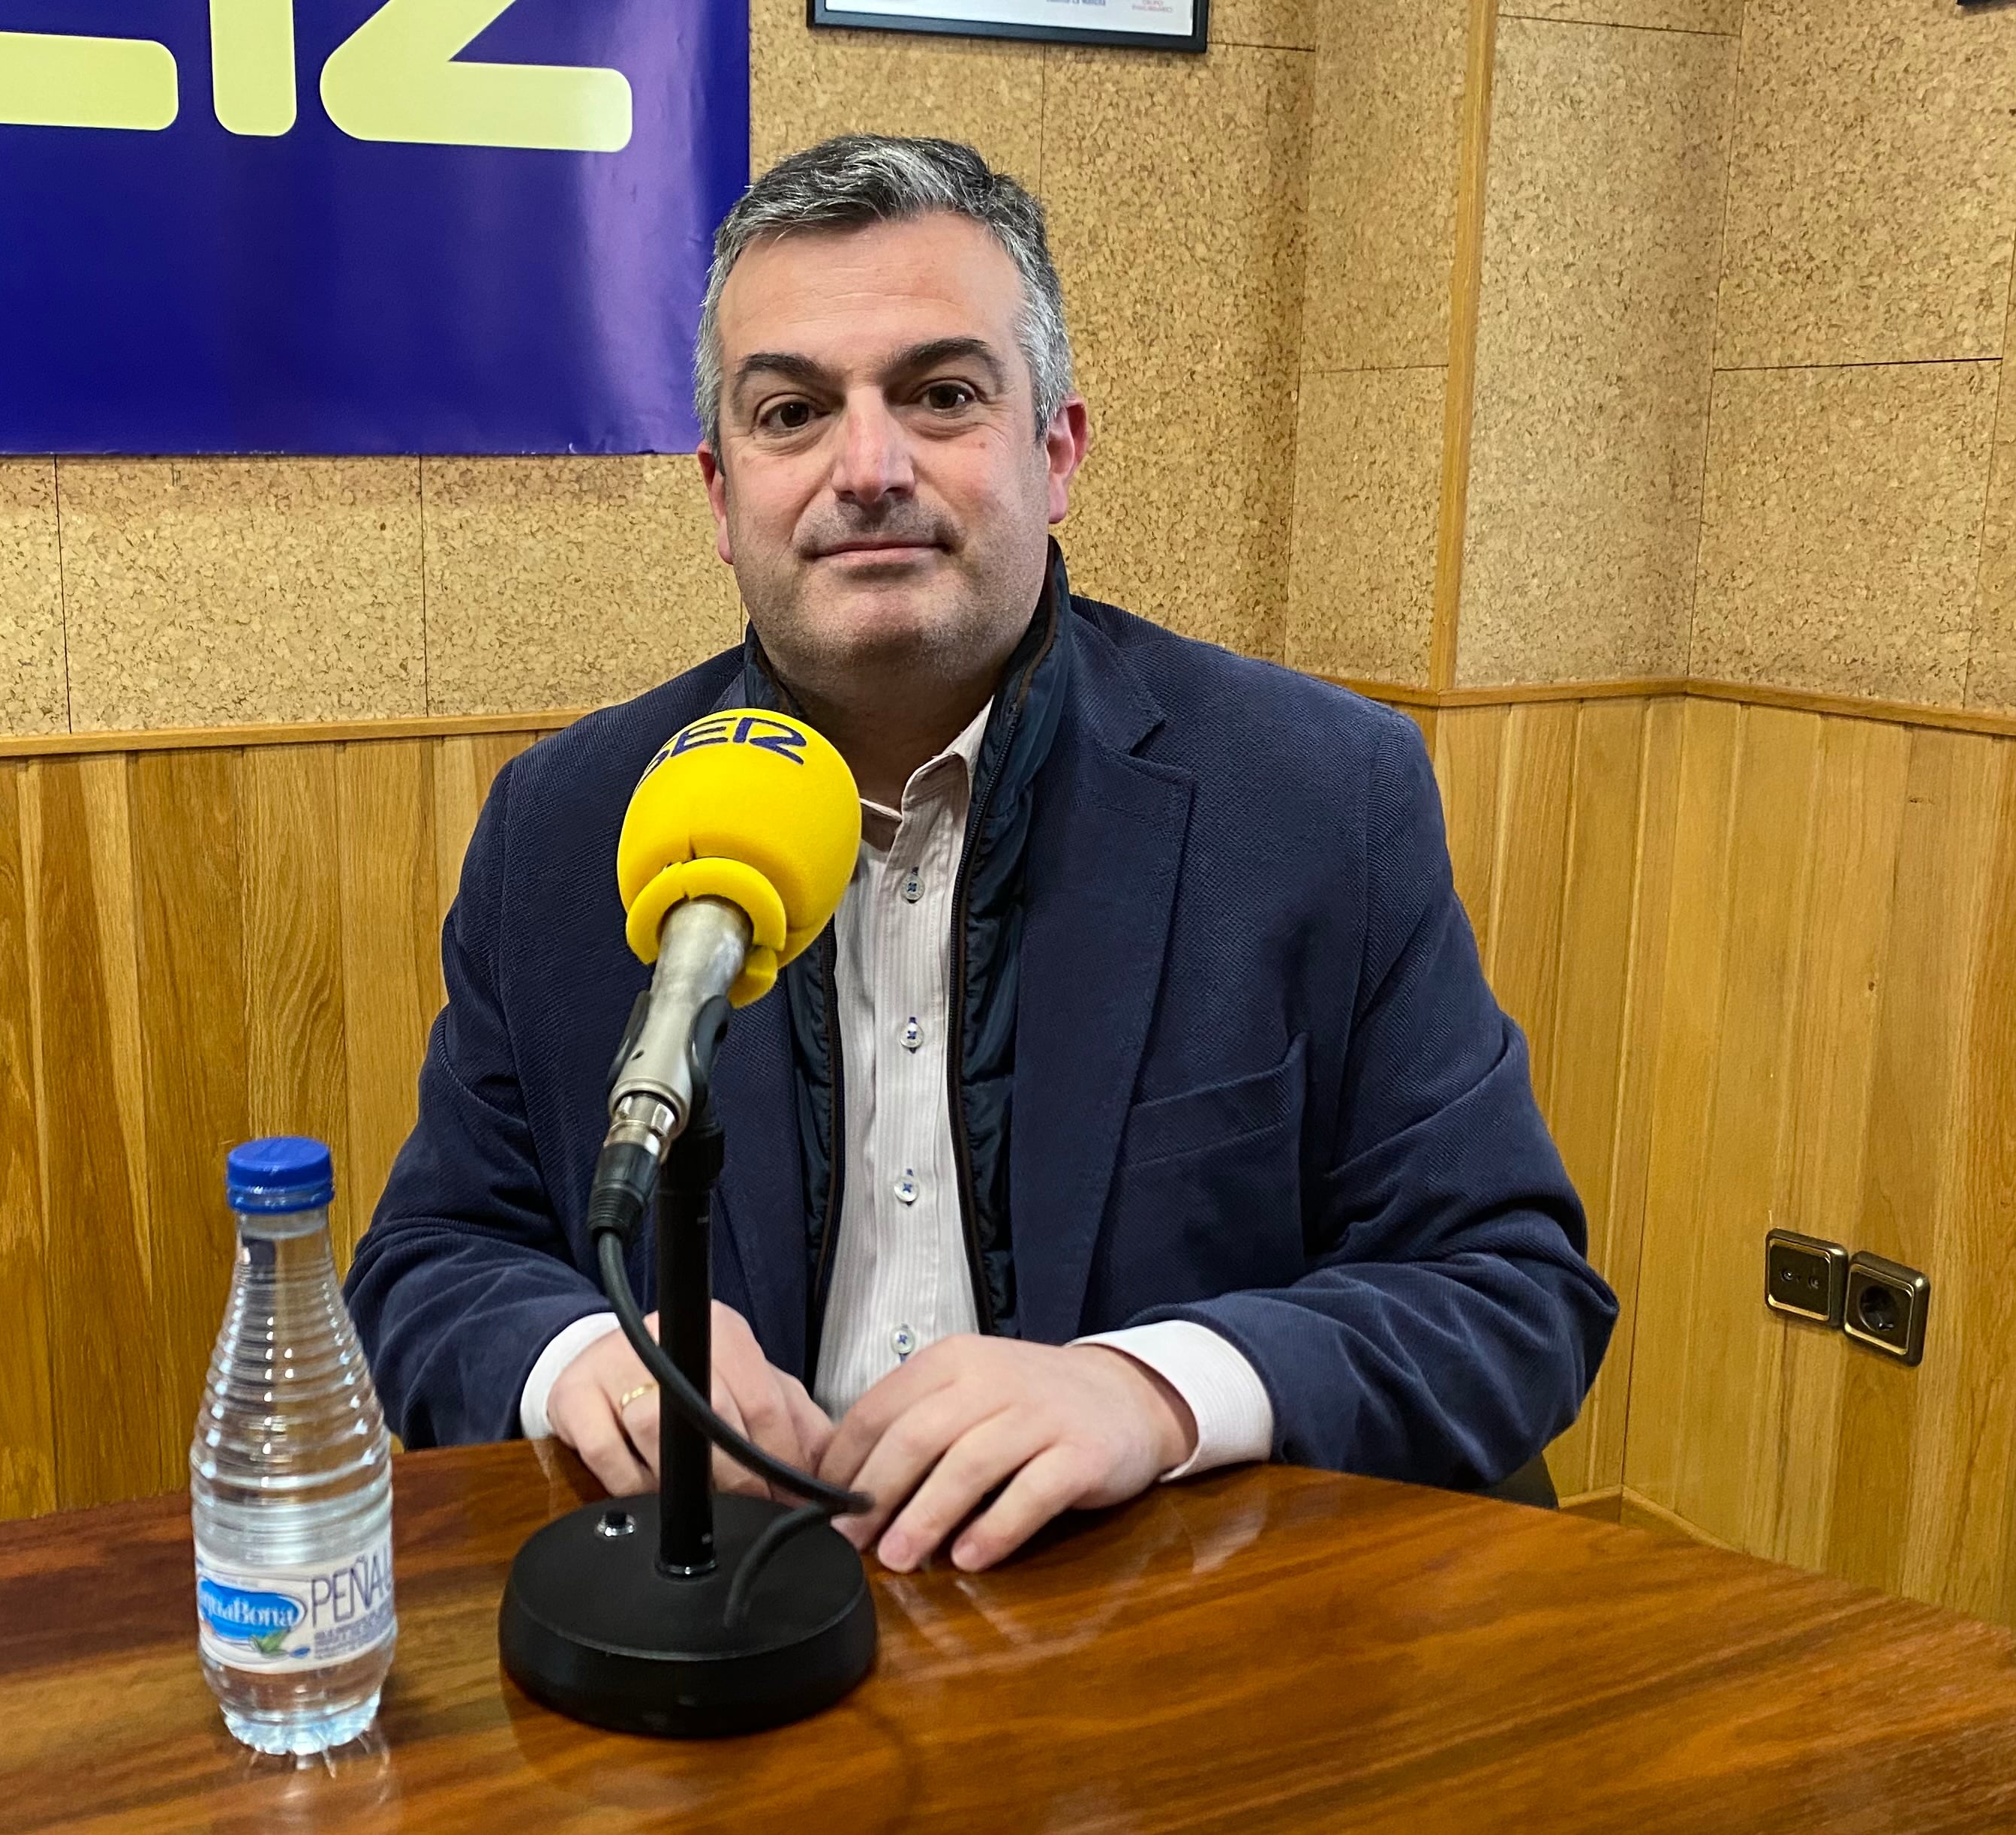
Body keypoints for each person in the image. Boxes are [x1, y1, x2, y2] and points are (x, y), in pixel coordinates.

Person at [345, 134, 1615, 1575]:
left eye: (940, 396)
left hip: (1169, 1651)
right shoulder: (568, 824)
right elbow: (430, 1260)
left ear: (1055, 450)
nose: (866, 467)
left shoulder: (1321, 795)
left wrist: (1154, 1387)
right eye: (791, 411)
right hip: (736, 1628)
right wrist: (588, 1353)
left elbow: (1509, 1294)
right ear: (717, 490)